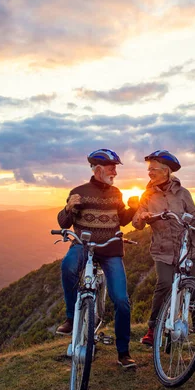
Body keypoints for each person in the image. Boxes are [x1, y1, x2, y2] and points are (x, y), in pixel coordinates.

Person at [56, 148, 139, 369]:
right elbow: (63, 223)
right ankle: (72, 317)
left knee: (121, 301)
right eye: (113, 168)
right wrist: (68, 208)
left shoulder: (116, 193)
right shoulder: (78, 192)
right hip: (83, 246)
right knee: (68, 267)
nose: (115, 173)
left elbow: (121, 220)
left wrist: (133, 208)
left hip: (111, 248)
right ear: (99, 169)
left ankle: (123, 352)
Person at [132, 150, 195, 355]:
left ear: (165, 171)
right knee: (163, 284)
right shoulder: (147, 196)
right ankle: (154, 329)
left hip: (190, 250)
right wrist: (143, 216)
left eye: (153, 169)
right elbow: (136, 222)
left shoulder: (183, 193)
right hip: (163, 252)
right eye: (149, 169)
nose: (149, 173)